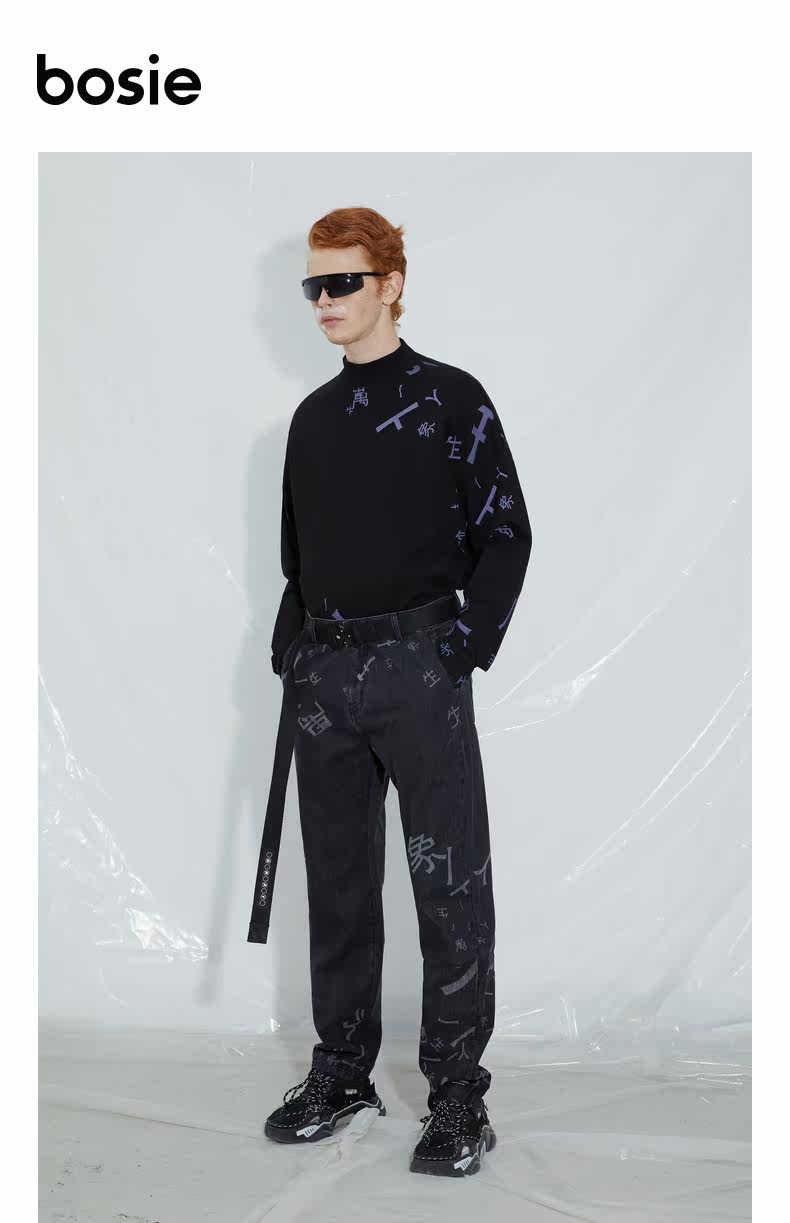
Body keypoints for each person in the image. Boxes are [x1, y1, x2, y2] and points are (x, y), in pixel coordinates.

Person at [258, 206, 532, 1177]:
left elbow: (507, 531)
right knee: (338, 883)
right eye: (313, 285)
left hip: (421, 666)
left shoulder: (452, 399)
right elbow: (299, 560)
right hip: (326, 676)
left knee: (448, 881)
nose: (324, 300)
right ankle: (342, 1072)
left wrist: (460, 647)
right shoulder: (312, 420)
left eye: (343, 281)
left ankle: (457, 1097)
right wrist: (296, 654)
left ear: (391, 285)